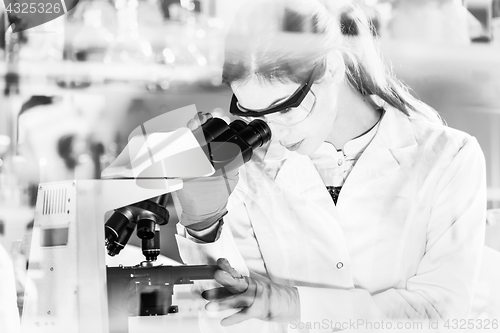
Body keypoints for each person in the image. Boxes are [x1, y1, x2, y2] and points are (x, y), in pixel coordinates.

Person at [173, 0, 486, 332]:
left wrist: (294, 305)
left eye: (284, 109)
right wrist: (204, 230)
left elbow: (440, 312)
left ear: (330, 69)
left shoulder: (449, 157)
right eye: (256, 116)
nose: (274, 133)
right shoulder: (246, 171)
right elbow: (234, 317)